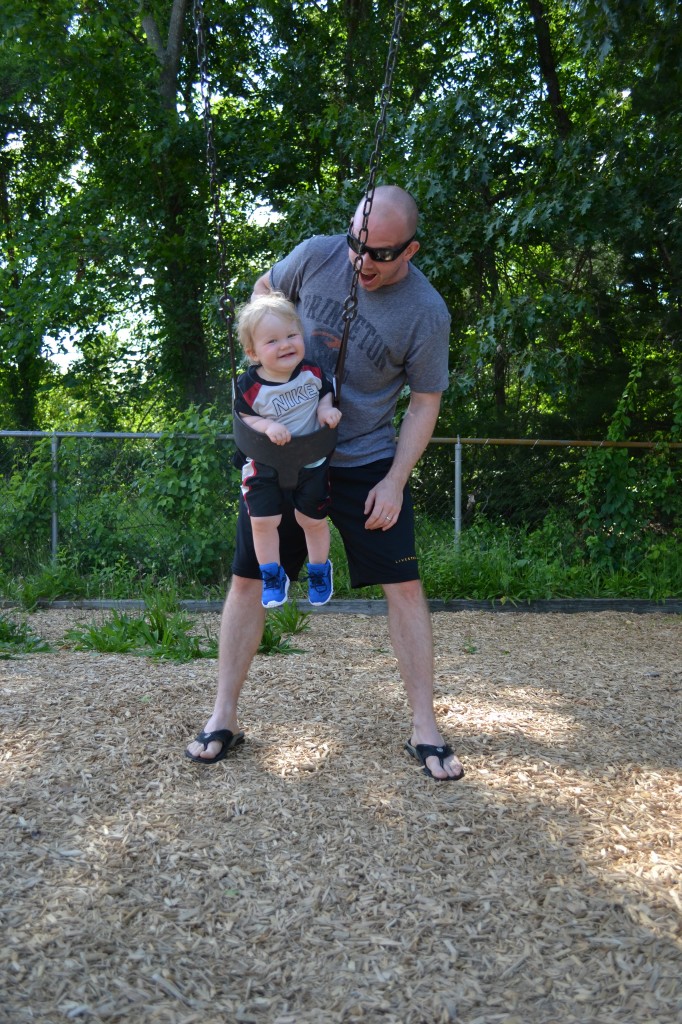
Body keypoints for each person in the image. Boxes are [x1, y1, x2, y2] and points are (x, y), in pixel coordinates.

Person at [186, 184, 464, 781]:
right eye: (356, 244)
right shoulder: (316, 254)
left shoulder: (425, 311)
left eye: (381, 253)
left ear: (409, 251)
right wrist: (270, 347)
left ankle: (424, 726)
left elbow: (424, 401)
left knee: (405, 587)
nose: (362, 261)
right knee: (246, 582)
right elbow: (265, 290)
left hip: (365, 462)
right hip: (287, 460)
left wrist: (394, 480)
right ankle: (222, 716)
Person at [233, 291, 342, 608]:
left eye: (292, 335)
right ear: (253, 352)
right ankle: (271, 574)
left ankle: (320, 570)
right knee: (263, 522)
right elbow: (244, 416)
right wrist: (267, 426)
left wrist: (325, 410)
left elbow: (324, 393)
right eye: (272, 341)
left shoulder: (312, 372)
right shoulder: (249, 385)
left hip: (311, 461)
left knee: (312, 520)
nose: (285, 345)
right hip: (264, 465)